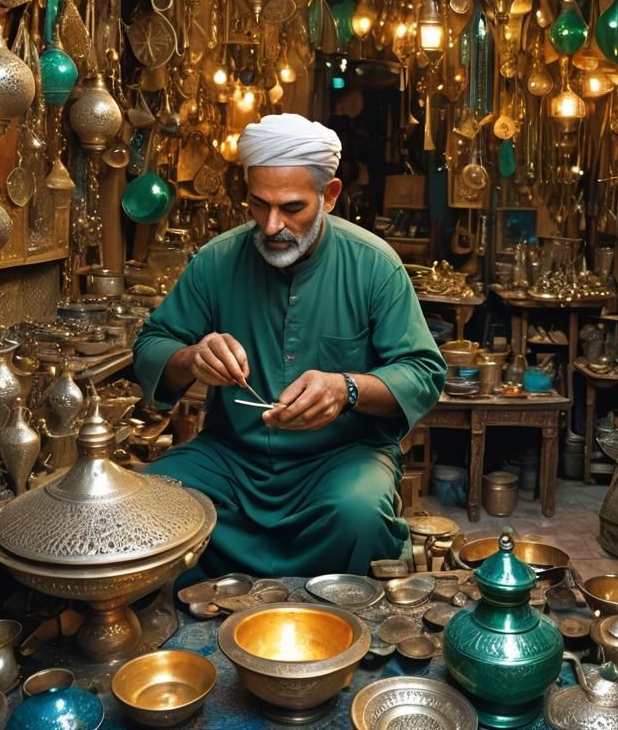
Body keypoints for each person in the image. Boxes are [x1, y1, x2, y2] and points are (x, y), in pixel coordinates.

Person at [133, 113, 445, 581]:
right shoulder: (217, 260)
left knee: (358, 514)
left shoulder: (375, 266)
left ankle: (336, 621)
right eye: (259, 205)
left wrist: (347, 388)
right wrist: (192, 358)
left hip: (342, 458)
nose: (272, 225)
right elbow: (151, 345)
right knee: (147, 503)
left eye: (292, 208)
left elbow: (423, 371)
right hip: (230, 458)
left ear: (330, 195)